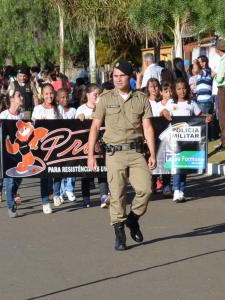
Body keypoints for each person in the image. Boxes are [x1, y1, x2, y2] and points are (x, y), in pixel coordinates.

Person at [87, 60, 157, 251]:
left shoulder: (141, 99)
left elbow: (148, 127)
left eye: (122, 76)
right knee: (117, 195)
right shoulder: (105, 99)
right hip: (114, 153)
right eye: (115, 76)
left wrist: (152, 152)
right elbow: (94, 127)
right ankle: (119, 234)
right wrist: (91, 154)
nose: (118, 79)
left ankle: (133, 219)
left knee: (146, 189)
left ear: (130, 77)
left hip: (136, 152)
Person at [161, 79, 203, 202]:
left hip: (188, 140)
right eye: (178, 89)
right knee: (177, 165)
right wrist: (165, 112)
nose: (182, 91)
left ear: (187, 89)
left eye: (184, 88)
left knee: (184, 165)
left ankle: (181, 190)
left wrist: (206, 118)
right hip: (174, 140)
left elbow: (200, 115)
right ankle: (176, 189)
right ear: (175, 90)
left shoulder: (192, 103)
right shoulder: (171, 102)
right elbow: (163, 111)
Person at [76, 84, 110, 208]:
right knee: (86, 172)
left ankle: (103, 196)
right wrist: (80, 118)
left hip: (101, 143)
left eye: (99, 94)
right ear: (88, 95)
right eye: (95, 94)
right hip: (85, 145)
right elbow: (76, 124)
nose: (97, 97)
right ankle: (86, 198)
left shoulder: (102, 107)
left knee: (102, 170)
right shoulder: (81, 109)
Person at [32, 84, 63, 213]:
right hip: (42, 148)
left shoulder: (58, 108)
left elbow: (64, 125)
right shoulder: (38, 109)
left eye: (51, 93)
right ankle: (45, 201)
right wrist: (39, 122)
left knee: (58, 171)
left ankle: (56, 194)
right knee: (44, 175)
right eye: (46, 93)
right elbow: (33, 125)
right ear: (42, 95)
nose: (49, 96)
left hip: (56, 146)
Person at [0, 91, 25, 218]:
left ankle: (11, 193)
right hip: (7, 152)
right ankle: (11, 206)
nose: (21, 98)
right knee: (9, 179)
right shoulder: (4, 114)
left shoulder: (22, 115)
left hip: (19, 151)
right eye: (19, 96)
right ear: (12, 99)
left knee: (19, 178)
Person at [57, 88, 77, 202]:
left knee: (71, 166)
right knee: (60, 168)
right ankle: (60, 191)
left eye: (66, 97)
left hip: (71, 143)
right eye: (62, 97)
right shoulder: (56, 111)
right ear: (58, 99)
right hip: (59, 144)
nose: (65, 99)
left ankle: (69, 189)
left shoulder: (73, 110)